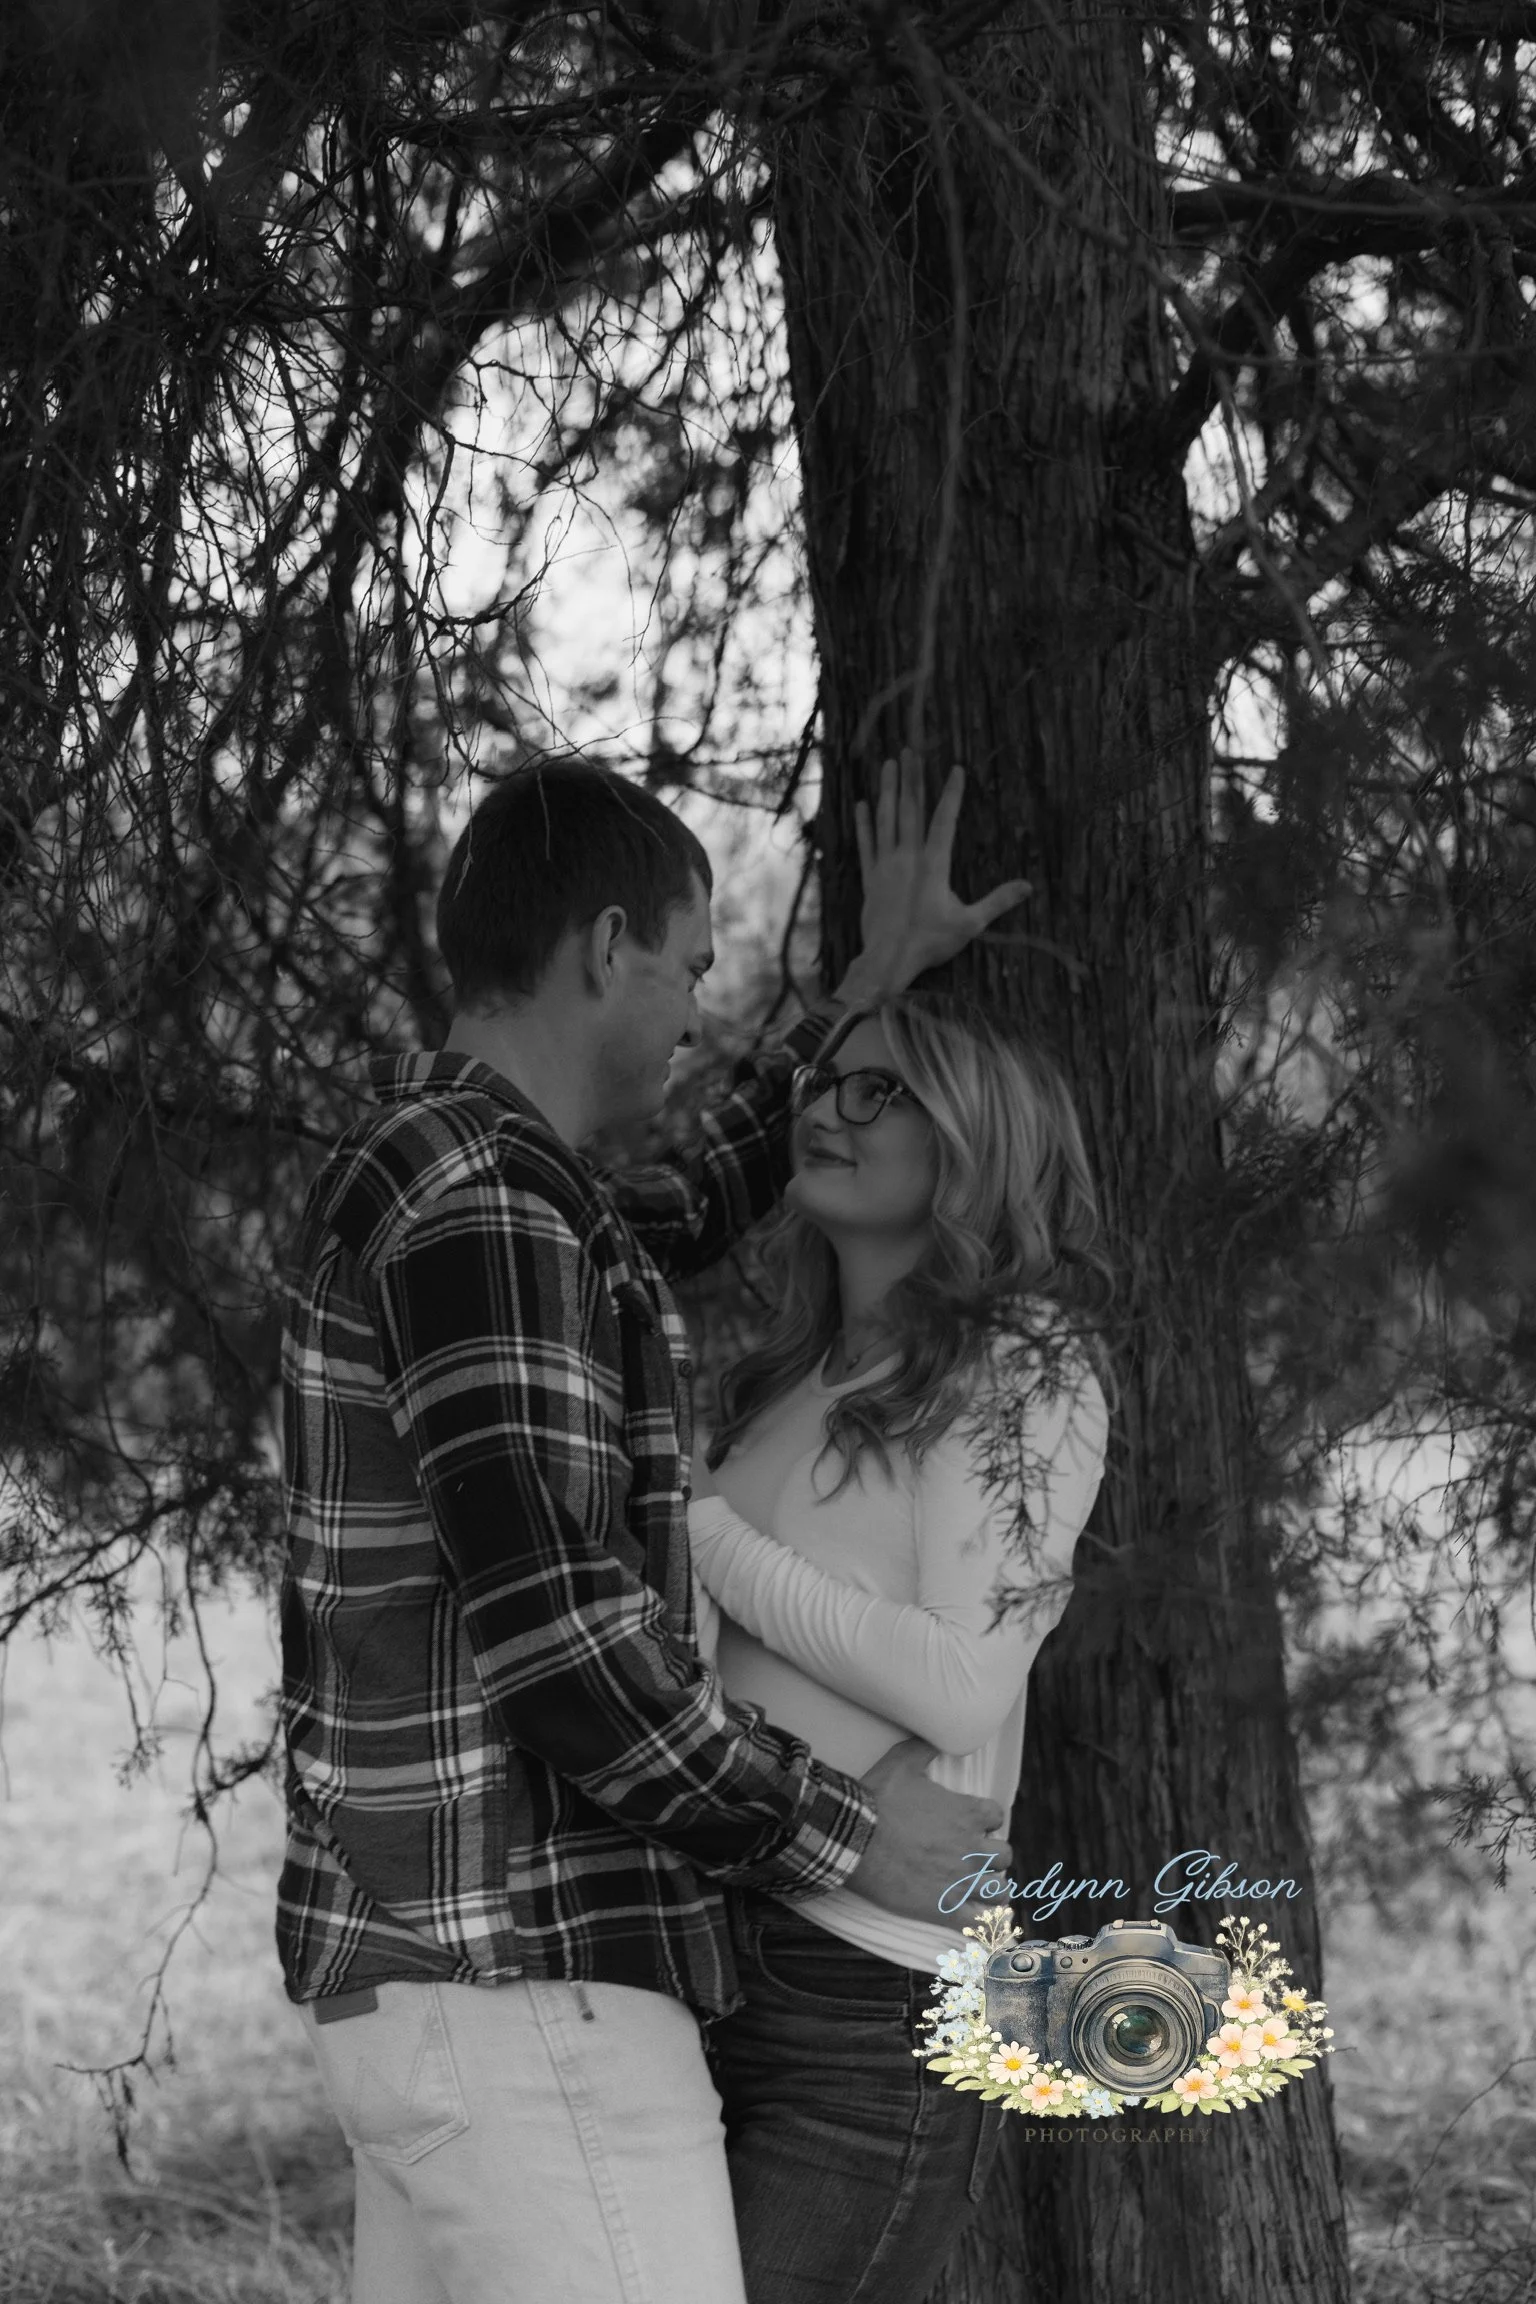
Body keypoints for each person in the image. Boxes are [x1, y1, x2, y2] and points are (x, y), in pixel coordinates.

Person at [276, 749, 1032, 2304]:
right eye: (687, 965)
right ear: (605, 946)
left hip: (433, 1990)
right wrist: (847, 1830)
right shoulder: (483, 1204)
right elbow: (566, 1647)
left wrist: (866, 987)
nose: (695, 1007)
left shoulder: (477, 1182)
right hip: (522, 1993)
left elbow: (676, 1209)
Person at [686, 990, 1111, 2304]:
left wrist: (698, 1529)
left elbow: (960, 1681)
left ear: (974, 1144)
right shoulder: (784, 1378)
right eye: (830, 1082)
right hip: (707, 1940)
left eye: (883, 1093)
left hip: (867, 2004)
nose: (828, 1109)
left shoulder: (1028, 1365)